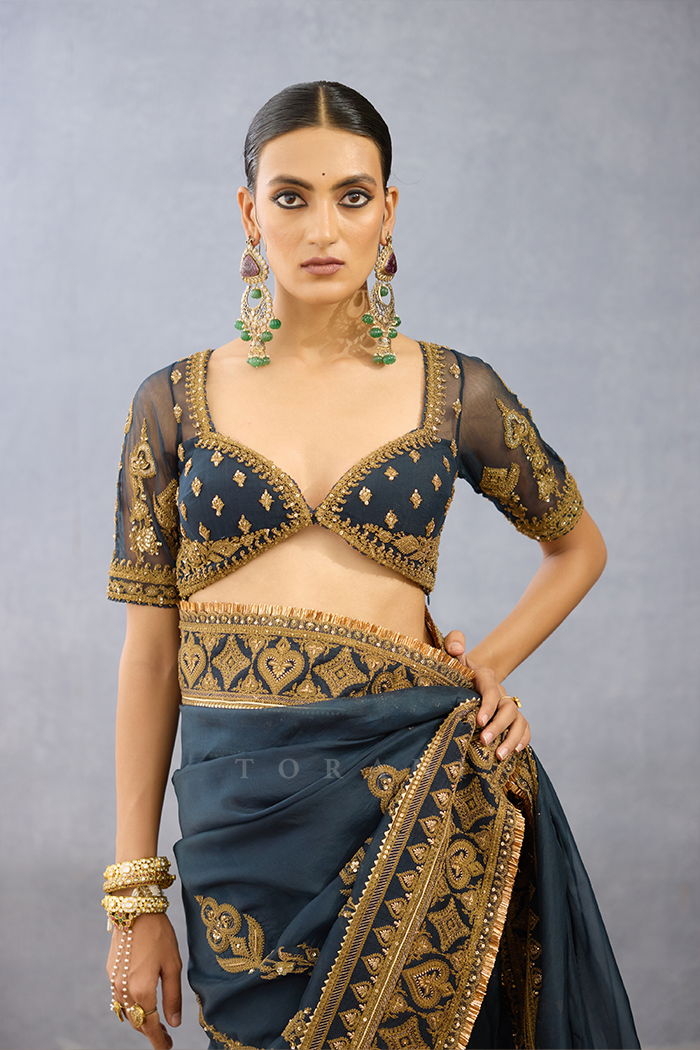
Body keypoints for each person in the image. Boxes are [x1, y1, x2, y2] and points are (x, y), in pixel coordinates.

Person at [104, 81, 639, 1050]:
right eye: (291, 196)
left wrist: (486, 670)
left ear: (388, 210)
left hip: (415, 786)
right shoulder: (170, 406)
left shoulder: (455, 391)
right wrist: (134, 895)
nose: (323, 228)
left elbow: (577, 546)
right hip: (241, 827)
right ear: (249, 211)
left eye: (352, 196)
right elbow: (149, 657)